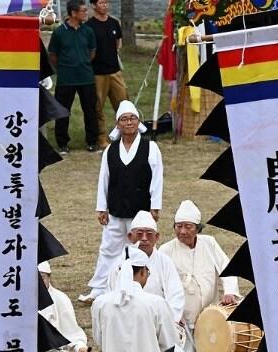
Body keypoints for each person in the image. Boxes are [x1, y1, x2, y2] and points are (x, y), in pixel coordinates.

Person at [159, 200, 239, 352]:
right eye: (179, 226)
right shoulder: (166, 251)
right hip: (182, 325)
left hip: (210, 321)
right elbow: (161, 284)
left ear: (197, 228)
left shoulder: (209, 244)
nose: (183, 231)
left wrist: (229, 291)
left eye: (188, 226)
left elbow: (227, 268)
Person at [81, 104, 164, 302]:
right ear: (118, 124)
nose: (129, 122)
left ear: (138, 122)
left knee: (140, 247)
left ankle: (145, 286)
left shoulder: (151, 148)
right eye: (124, 119)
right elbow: (104, 179)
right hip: (117, 210)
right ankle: (100, 288)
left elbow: (157, 177)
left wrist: (155, 206)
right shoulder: (110, 150)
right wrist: (102, 207)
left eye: (132, 118)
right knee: (109, 249)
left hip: (141, 209)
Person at [105, 210, 185, 323]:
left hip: (158, 322)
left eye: (149, 234)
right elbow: (111, 296)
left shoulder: (165, 262)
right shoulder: (120, 264)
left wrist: (169, 322)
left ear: (157, 237)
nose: (144, 238)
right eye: (139, 234)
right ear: (130, 236)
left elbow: (176, 297)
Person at [48, 0, 99, 154]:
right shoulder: (59, 33)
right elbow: (52, 55)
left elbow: (92, 52)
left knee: (90, 110)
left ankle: (92, 142)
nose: (86, 13)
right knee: (63, 112)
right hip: (66, 79)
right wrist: (64, 67)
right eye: (83, 10)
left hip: (86, 77)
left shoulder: (88, 31)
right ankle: (62, 143)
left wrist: (82, 62)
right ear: (73, 13)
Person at [86, 0, 127, 146]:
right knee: (98, 107)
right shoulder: (89, 26)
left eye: (106, 2)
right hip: (98, 73)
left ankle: (126, 133)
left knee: (123, 104)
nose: (105, 5)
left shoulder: (114, 23)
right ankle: (101, 137)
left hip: (115, 72)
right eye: (101, 2)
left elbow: (118, 43)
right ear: (94, 5)